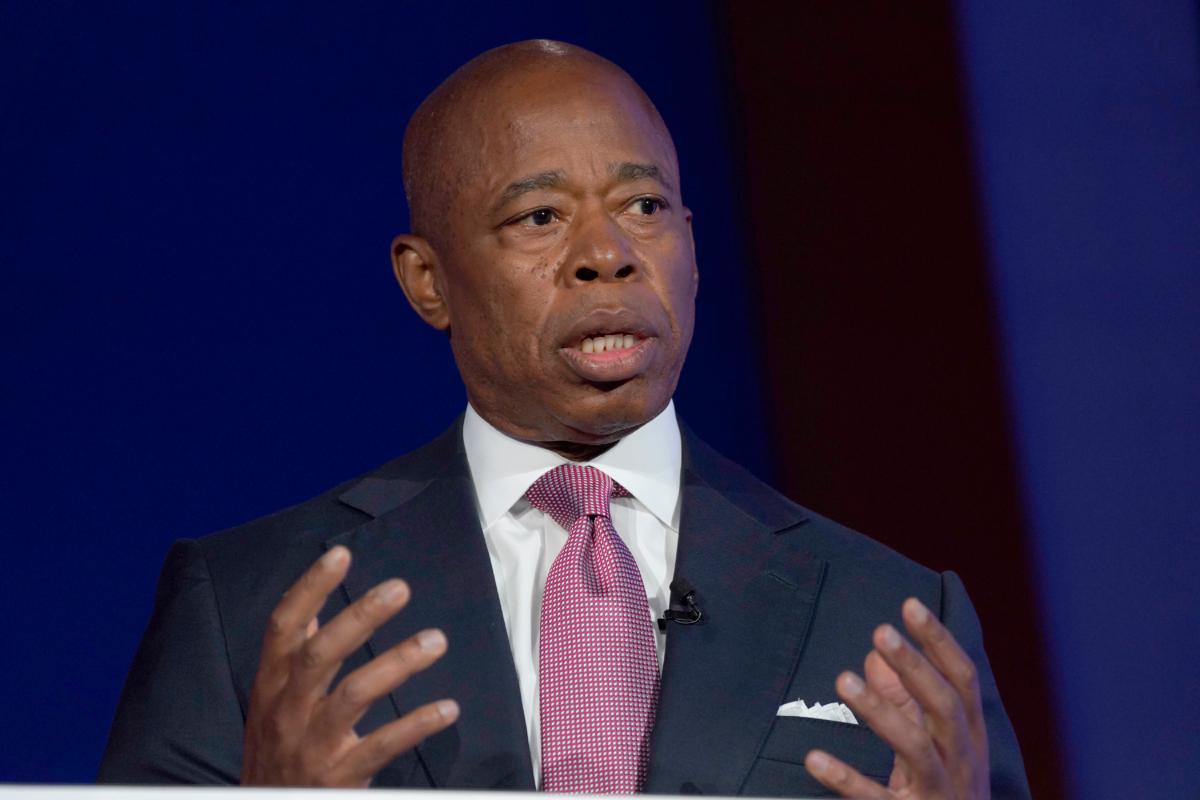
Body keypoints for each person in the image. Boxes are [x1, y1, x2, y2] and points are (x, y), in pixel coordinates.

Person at [99, 40, 1031, 798]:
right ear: (428, 281)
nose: (609, 255)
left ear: (694, 250)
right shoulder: (247, 607)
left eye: (644, 205)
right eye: (540, 216)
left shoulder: (892, 615)